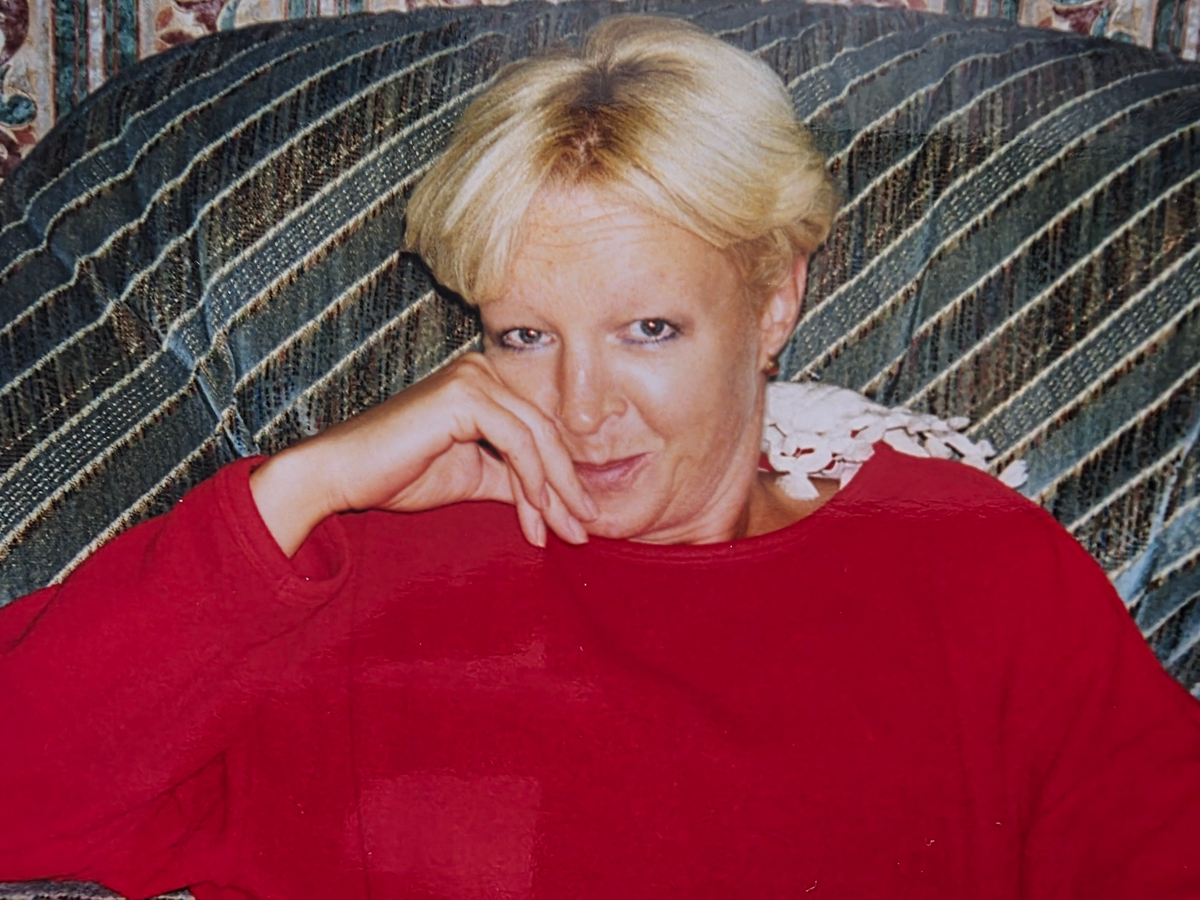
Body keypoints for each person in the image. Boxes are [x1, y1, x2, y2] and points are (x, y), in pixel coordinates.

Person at [2, 14, 1199, 900]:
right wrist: (299, 488)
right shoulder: (350, 572)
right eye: (525, 336)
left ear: (776, 297)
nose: (581, 410)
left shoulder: (971, 563)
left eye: (649, 330)